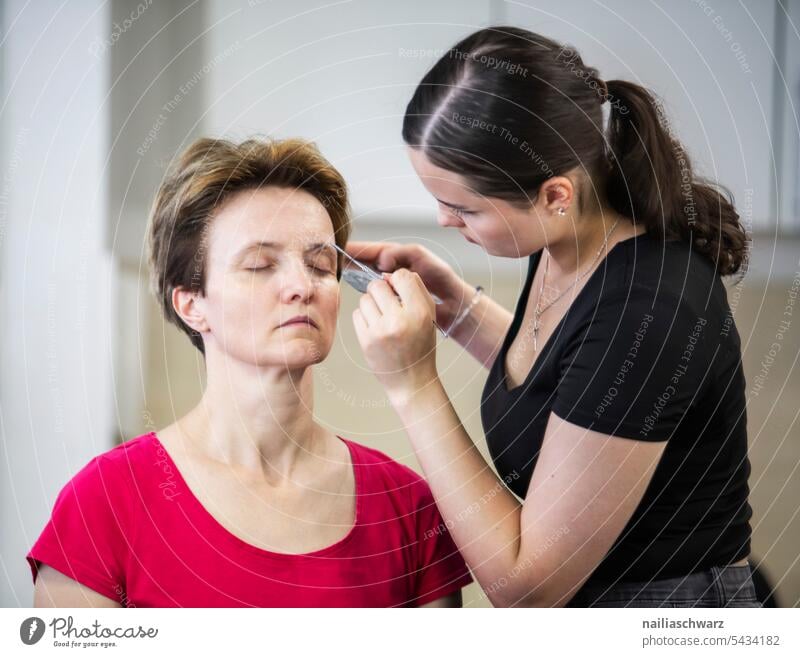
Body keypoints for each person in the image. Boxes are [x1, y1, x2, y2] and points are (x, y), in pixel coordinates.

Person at [348, 26, 759, 607]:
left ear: (555, 195)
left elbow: (526, 587)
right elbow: (569, 384)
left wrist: (411, 383)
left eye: (462, 207)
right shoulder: (568, 242)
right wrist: (459, 310)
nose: (443, 221)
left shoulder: (648, 307)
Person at [26, 137, 472, 608]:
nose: (302, 286)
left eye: (321, 265)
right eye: (260, 265)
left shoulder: (409, 509)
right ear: (192, 305)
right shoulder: (103, 503)